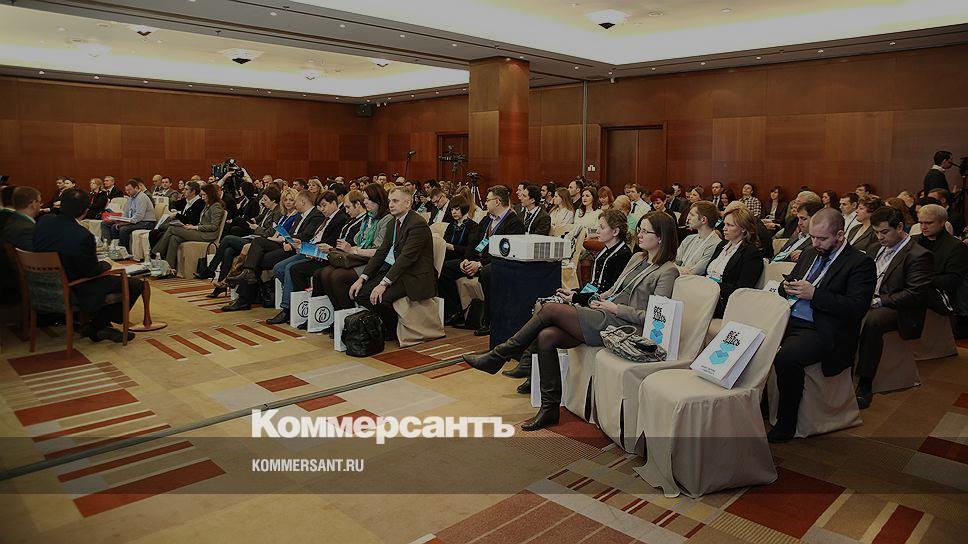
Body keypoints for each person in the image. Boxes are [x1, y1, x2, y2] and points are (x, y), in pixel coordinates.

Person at [463, 211, 679, 431]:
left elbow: (654, 316)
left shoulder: (668, 271)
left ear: (661, 237)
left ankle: (499, 355)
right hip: (605, 313)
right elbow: (614, 290)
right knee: (547, 336)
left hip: (625, 326)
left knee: (549, 310)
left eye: (645, 231)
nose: (639, 235)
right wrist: (588, 298)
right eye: (639, 229)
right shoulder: (638, 258)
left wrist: (615, 308)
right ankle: (549, 409)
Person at [770, 209, 876, 443]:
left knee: (786, 358)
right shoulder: (810, 253)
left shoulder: (860, 263)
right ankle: (757, 407)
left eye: (822, 238)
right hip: (789, 318)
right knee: (753, 341)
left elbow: (856, 308)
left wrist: (815, 294)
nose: (815, 243)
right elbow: (786, 286)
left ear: (839, 235)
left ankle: (787, 423)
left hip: (825, 328)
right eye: (812, 237)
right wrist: (785, 288)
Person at [34, 188, 145, 343]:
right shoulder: (81, 235)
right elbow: (91, 271)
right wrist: (107, 264)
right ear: (85, 211)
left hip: (42, 284)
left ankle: (101, 325)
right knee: (135, 284)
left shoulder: (44, 221)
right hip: (73, 287)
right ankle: (97, 327)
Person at [855, 206, 933, 409]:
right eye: (876, 232)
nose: (880, 237)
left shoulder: (918, 254)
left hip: (900, 309)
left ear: (899, 227)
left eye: (884, 232)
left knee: (873, 321)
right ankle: (841, 368)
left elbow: (914, 294)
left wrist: (878, 301)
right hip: (871, 299)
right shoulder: (875, 248)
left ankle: (865, 382)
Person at [347, 186, 437, 336]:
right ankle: (385, 326)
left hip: (415, 276)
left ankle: (392, 330)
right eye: (389, 201)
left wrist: (383, 284)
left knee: (380, 298)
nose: (391, 204)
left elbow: (406, 258)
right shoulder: (393, 222)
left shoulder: (418, 224)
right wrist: (362, 278)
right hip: (399, 272)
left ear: (407, 203)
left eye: (395, 201)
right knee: (361, 294)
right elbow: (381, 253)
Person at [268, 190, 363, 325]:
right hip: (317, 251)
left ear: (334, 203)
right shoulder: (329, 219)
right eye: (320, 206)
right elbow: (317, 237)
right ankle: (300, 306)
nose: (322, 209)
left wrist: (316, 248)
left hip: (327, 255)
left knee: (295, 269)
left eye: (324, 205)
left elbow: (333, 242)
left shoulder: (340, 219)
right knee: (283, 267)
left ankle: (292, 308)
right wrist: (305, 245)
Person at [440, 185, 525, 331]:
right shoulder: (487, 219)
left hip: (494, 263)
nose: (485, 203)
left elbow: (505, 254)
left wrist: (479, 264)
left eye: (488, 200)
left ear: (497, 202)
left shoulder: (514, 223)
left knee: (487, 272)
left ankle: (488, 320)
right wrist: (467, 259)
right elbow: (474, 243)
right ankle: (456, 312)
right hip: (476, 260)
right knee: (443, 269)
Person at [221, 190, 324, 311]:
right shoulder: (301, 215)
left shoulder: (316, 215)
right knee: (257, 243)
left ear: (303, 201)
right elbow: (292, 233)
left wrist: (288, 241)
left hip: (296, 249)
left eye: (295, 201)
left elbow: (307, 235)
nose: (294, 204)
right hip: (286, 245)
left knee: (255, 260)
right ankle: (248, 279)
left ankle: (245, 297)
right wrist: (285, 239)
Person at [705, 206, 764, 317]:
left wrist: (713, 286)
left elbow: (742, 289)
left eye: (730, 225)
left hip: (725, 301)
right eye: (724, 224)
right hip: (707, 294)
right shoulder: (722, 245)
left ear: (743, 228)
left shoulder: (751, 253)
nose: (724, 228)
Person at [150, 183, 226, 269]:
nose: (202, 197)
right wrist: (193, 226)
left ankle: (155, 254)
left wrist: (195, 227)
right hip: (201, 231)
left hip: (207, 235)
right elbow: (204, 222)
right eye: (202, 195)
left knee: (172, 228)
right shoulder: (208, 205)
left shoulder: (216, 206)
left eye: (204, 195)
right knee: (174, 238)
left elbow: (214, 226)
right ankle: (169, 267)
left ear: (210, 194)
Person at [914, 204, 968, 317]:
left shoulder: (956, 247)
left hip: (941, 297)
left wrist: (921, 279)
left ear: (942, 222)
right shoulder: (913, 241)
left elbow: (953, 279)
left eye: (928, 223)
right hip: (913, 292)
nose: (923, 227)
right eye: (921, 223)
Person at [101, 178, 156, 250]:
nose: (127, 192)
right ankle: (109, 246)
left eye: (130, 190)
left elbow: (139, 216)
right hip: (134, 220)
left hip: (146, 222)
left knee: (123, 229)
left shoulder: (142, 197)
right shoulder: (131, 198)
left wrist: (124, 223)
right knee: (105, 223)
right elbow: (126, 212)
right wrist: (120, 220)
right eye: (126, 190)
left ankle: (123, 250)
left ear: (136, 188)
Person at [149, 180, 204, 247]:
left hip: (187, 226)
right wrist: (173, 209)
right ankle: (155, 252)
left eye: (186, 189)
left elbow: (191, 220)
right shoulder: (185, 200)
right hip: (179, 223)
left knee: (161, 233)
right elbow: (173, 204)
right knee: (154, 232)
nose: (183, 191)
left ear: (193, 192)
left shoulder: (199, 203)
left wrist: (176, 215)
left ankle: (157, 252)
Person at [675, 201, 721, 275]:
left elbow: (694, 272)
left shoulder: (715, 244)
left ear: (703, 220)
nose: (688, 218)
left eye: (692, 215)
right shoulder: (689, 238)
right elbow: (673, 263)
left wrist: (676, 269)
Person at [442, 195, 479, 261]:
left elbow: (471, 249)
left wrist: (453, 247)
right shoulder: (451, 225)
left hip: (463, 258)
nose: (454, 212)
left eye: (457, 209)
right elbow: (444, 242)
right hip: (447, 256)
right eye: (452, 209)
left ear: (464, 208)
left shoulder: (473, 226)